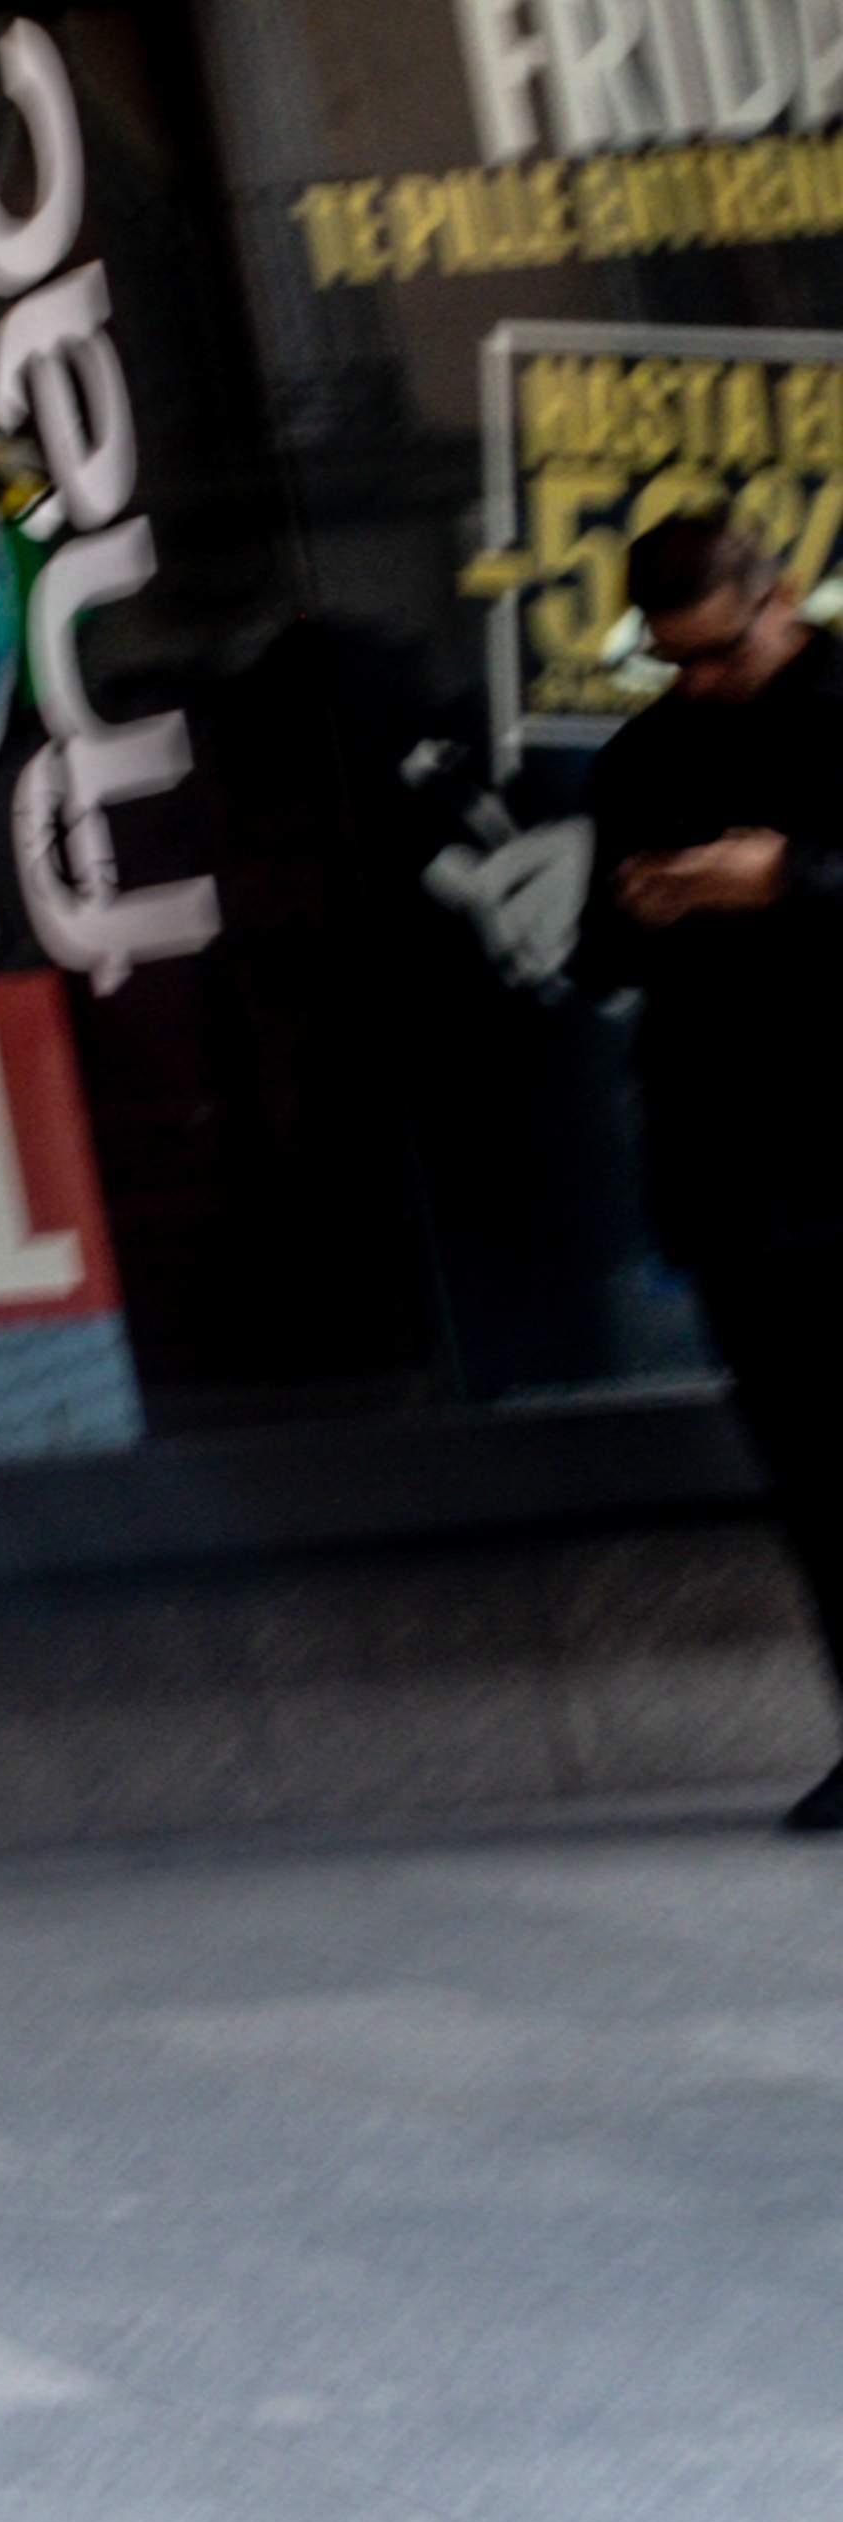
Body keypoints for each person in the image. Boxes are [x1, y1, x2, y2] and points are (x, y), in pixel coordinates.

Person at [586, 512, 843, 1832]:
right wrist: (645, 906)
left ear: (781, 598)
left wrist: (790, 879)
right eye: (671, 659)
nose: (698, 682)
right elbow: (596, 963)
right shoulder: (645, 753)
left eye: (720, 654)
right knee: (809, 1465)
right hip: (737, 1165)